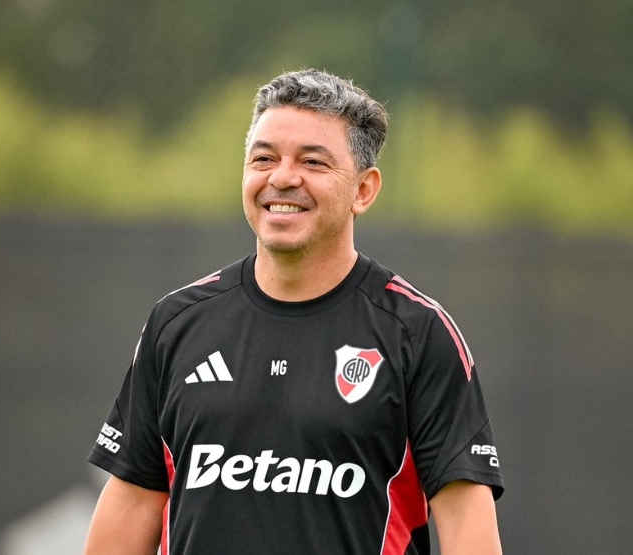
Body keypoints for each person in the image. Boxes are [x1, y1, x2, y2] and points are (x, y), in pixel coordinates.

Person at [84, 69, 504, 555]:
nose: (282, 178)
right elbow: (134, 499)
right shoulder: (177, 322)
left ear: (363, 191)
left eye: (313, 162)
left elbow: (464, 516)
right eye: (263, 158)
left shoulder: (416, 332)